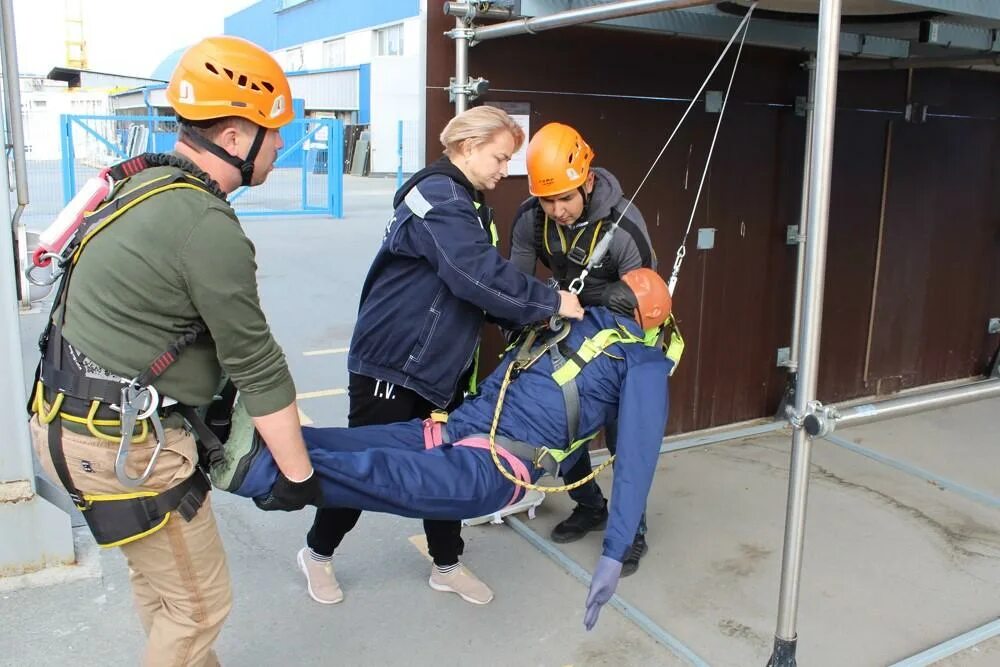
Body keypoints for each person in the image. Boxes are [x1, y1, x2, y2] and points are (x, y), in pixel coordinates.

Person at [27, 36, 319, 666]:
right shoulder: (204, 226)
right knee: (199, 607)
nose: (282, 146)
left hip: (69, 421)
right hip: (121, 447)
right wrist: (300, 476)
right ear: (238, 137)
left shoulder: (148, 183)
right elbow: (257, 365)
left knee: (162, 583)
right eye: (275, 133)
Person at [219, 268, 672, 631]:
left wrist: (613, 543)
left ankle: (253, 455)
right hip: (482, 452)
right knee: (374, 464)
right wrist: (614, 553)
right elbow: (634, 462)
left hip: (474, 445)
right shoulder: (628, 353)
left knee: (370, 459)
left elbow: (586, 432)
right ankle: (253, 454)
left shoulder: (571, 319)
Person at [298, 106, 585, 607]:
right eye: (499, 157)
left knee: (448, 466)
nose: (503, 170)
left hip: (442, 367)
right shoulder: (437, 197)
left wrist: (527, 321)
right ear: (468, 147)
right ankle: (317, 554)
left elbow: (477, 290)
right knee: (370, 464)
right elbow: (473, 274)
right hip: (393, 363)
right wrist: (551, 301)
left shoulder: (468, 205)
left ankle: (446, 564)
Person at [509, 122, 658, 575]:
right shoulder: (531, 218)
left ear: (587, 180)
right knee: (561, 420)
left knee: (622, 433)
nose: (556, 210)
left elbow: (645, 303)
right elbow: (514, 284)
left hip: (620, 339)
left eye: (565, 198)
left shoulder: (624, 227)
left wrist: (607, 300)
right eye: (547, 199)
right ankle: (589, 504)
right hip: (567, 326)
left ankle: (631, 530)